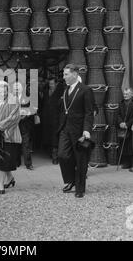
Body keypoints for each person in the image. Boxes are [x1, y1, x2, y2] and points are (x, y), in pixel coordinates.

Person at [57, 64, 95, 198]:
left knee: (80, 159)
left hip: (79, 130)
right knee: (62, 155)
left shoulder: (85, 90)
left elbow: (90, 112)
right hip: (65, 129)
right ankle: (71, 180)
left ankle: (80, 188)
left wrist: (86, 129)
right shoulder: (65, 89)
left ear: (74, 74)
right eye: (63, 74)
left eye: (66, 74)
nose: (64, 77)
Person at [11, 81, 36, 170]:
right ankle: (17, 162)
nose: (16, 89)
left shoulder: (28, 96)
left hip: (25, 123)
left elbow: (33, 109)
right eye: (15, 87)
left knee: (26, 144)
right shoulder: (11, 98)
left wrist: (25, 115)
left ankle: (28, 164)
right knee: (16, 143)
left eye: (18, 87)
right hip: (14, 124)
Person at [41, 77, 64, 165]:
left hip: (56, 118)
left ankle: (55, 157)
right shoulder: (46, 92)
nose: (51, 85)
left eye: (52, 84)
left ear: (56, 84)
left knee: (55, 136)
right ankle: (51, 153)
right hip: (47, 118)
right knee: (48, 135)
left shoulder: (60, 92)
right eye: (49, 84)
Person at [117, 87, 133, 172]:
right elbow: (118, 114)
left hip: (131, 128)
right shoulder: (121, 103)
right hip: (123, 128)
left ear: (132, 94)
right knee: (124, 146)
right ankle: (126, 163)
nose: (125, 95)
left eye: (127, 94)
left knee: (131, 146)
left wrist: (128, 124)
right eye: (124, 94)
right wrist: (121, 123)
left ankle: (132, 164)